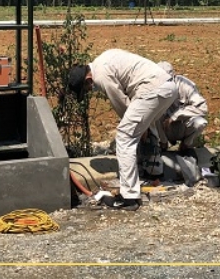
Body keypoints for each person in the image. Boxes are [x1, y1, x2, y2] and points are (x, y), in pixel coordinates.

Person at [67, 49, 178, 211]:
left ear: (88, 79)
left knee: (125, 136)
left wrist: (136, 128)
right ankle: (154, 171)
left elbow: (121, 102)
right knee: (145, 125)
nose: (89, 91)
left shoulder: (101, 76)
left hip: (152, 88)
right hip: (167, 86)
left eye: (86, 89)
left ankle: (129, 197)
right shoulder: (102, 60)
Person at [156, 61, 209, 153]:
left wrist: (175, 116)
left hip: (183, 126)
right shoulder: (152, 86)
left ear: (173, 77)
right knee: (152, 115)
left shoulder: (185, 85)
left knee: (200, 123)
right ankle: (162, 144)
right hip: (163, 129)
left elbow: (202, 108)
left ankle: (186, 145)